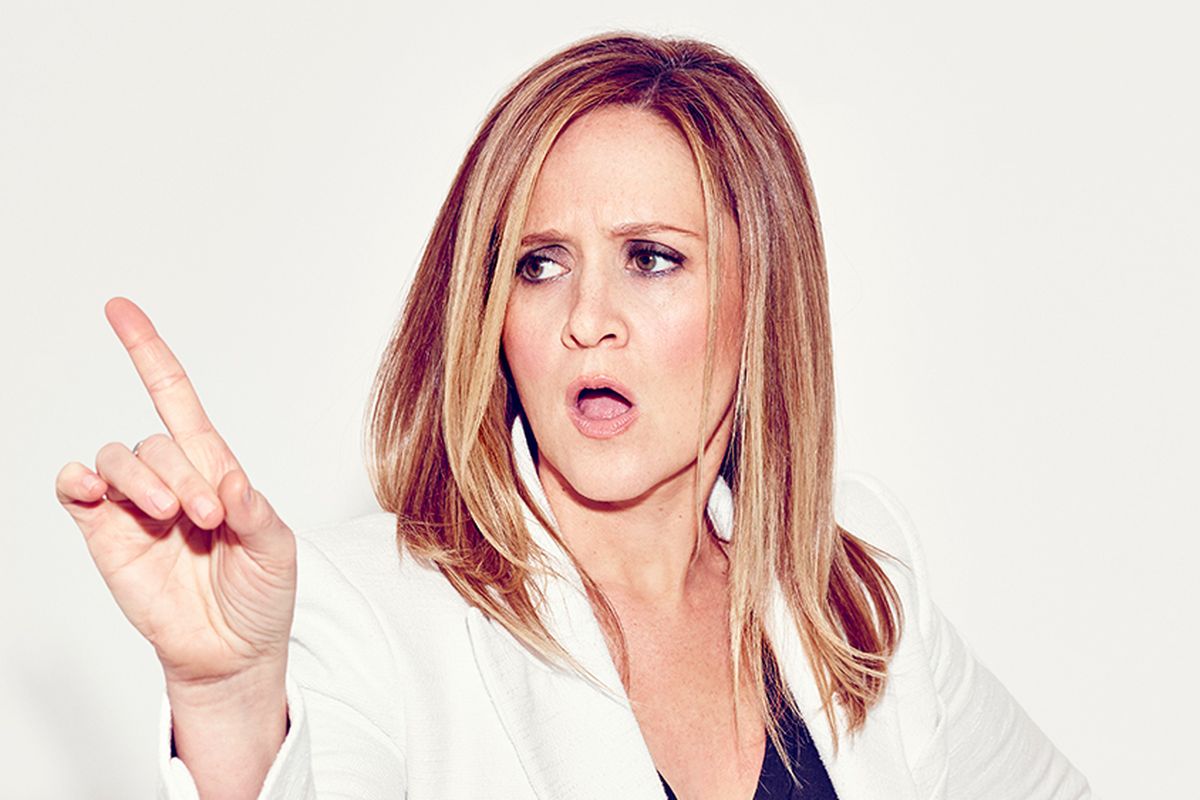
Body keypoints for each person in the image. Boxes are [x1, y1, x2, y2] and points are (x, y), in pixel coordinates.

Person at [55, 31, 1092, 799]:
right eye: (540, 264)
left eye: (652, 258)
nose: (588, 318)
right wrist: (232, 707)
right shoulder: (369, 605)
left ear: (762, 301)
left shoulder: (858, 582)